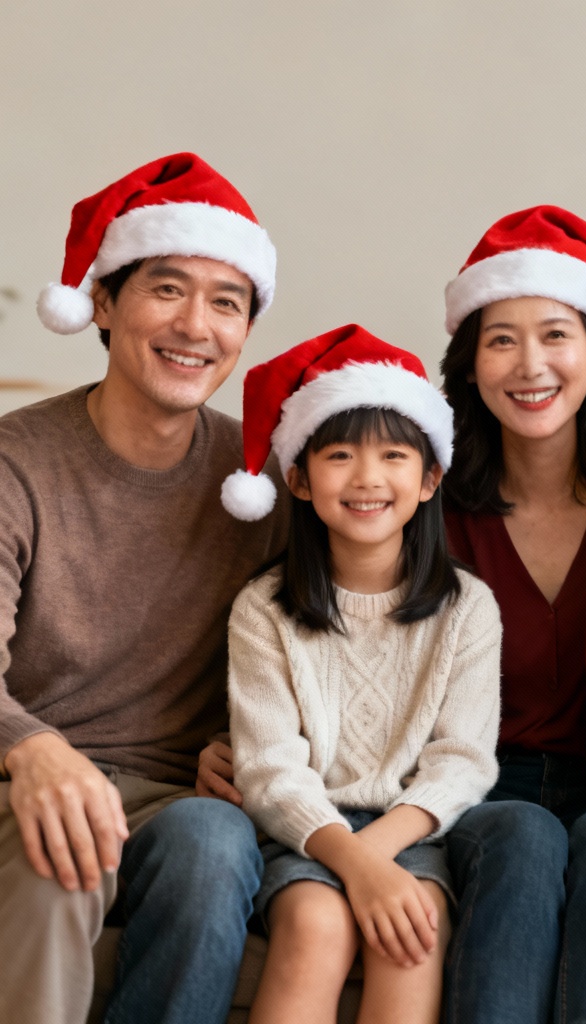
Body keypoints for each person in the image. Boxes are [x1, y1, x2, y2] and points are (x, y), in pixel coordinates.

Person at [0, 152, 286, 1024]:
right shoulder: (16, 460)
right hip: (25, 777)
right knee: (62, 854)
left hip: (174, 797)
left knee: (216, 842)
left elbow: (333, 646)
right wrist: (32, 748)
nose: (195, 325)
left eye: (226, 302)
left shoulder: (264, 483)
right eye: (166, 289)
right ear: (102, 303)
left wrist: (250, 742)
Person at [223, 324, 502, 1024]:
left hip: (411, 832)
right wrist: (348, 858)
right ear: (299, 477)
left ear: (430, 477)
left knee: (411, 934)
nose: (368, 478)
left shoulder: (469, 608)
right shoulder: (265, 608)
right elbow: (268, 769)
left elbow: (461, 762)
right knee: (317, 924)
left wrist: (374, 856)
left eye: (394, 456)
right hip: (303, 830)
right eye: (340, 454)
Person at [439, 205, 586, 1024]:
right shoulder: (423, 501)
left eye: (556, 335)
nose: (529, 364)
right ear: (468, 363)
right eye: (500, 339)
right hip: (472, 789)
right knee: (525, 841)